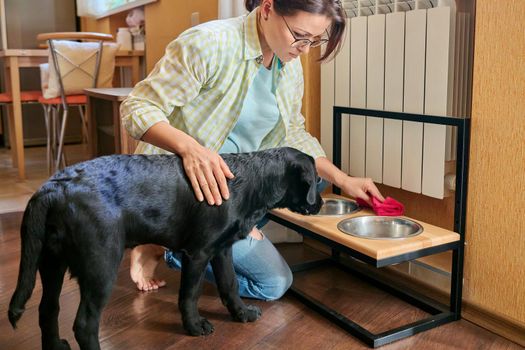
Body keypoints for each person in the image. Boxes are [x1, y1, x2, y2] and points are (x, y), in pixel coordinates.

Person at [120, 0, 385, 298]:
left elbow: (292, 132)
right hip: (189, 186)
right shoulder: (208, 43)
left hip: (236, 185)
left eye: (315, 40)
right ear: (268, 9)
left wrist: (344, 179)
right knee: (272, 285)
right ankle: (166, 244)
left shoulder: (289, 65)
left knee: (314, 177)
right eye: (299, 35)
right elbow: (137, 107)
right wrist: (190, 149)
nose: (305, 48)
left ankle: (225, 230)